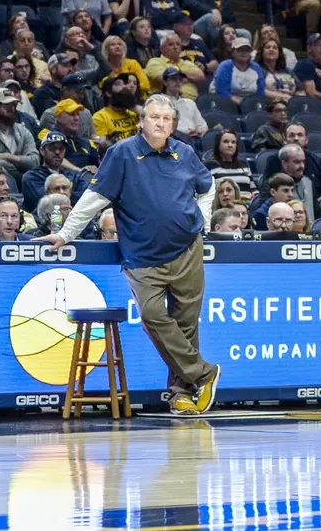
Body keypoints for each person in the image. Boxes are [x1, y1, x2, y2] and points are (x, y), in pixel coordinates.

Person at [43, 94, 219, 417]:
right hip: (142, 256)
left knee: (187, 323)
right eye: (154, 118)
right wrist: (66, 233)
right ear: (142, 121)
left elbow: (208, 187)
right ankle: (203, 372)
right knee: (152, 316)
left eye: (167, 119)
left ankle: (180, 393)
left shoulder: (185, 152)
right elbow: (95, 197)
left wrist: (203, 221)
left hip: (187, 250)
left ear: (173, 124)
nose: (161, 123)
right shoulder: (122, 153)